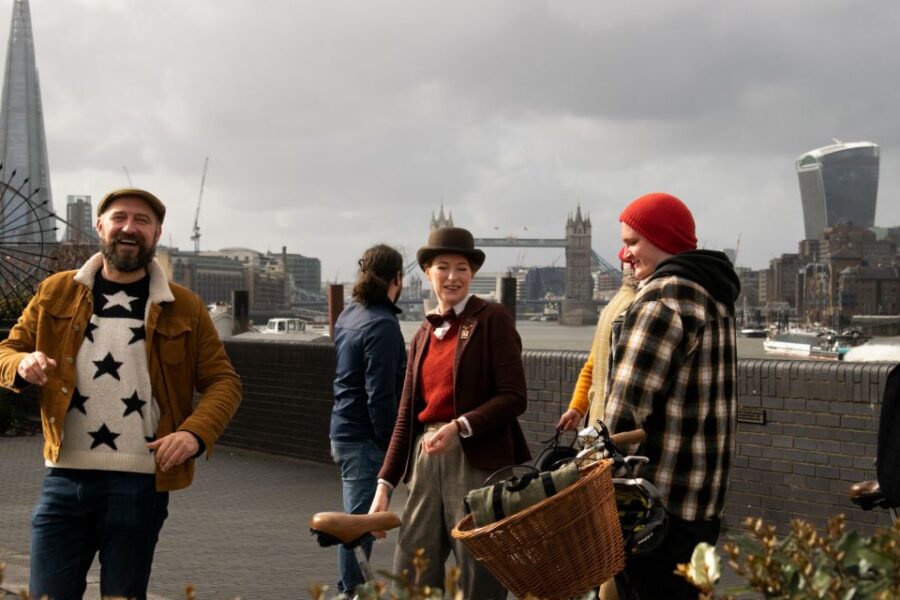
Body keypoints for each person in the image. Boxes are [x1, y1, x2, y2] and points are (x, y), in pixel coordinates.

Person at [0, 188, 242, 600]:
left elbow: (224, 382)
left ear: (157, 233)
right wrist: (21, 365)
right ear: (100, 227)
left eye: (142, 221)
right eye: (120, 218)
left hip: (141, 486)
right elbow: (7, 349)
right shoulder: (55, 291)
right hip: (63, 477)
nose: (130, 228)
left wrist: (194, 434)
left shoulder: (184, 306)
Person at [369, 226, 530, 599]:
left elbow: (514, 396)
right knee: (412, 571)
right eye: (443, 267)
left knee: (480, 576)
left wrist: (460, 426)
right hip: (425, 463)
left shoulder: (492, 319)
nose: (452, 277)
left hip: (477, 463)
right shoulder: (422, 335)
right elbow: (407, 417)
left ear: (472, 273)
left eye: (462, 268)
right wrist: (384, 487)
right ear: (427, 272)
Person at [602, 192, 740, 599]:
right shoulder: (713, 295)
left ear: (661, 239)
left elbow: (624, 415)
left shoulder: (662, 300)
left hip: (654, 508)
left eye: (632, 242)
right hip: (705, 501)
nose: (624, 255)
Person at [329, 244, 406, 595]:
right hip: (365, 438)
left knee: (354, 519)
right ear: (397, 279)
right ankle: (350, 592)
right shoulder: (384, 324)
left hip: (342, 429)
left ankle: (349, 588)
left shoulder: (349, 314)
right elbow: (381, 395)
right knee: (359, 526)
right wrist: (392, 444)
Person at [557, 260, 637, 432]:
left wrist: (577, 407)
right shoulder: (635, 304)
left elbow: (591, 367)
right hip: (614, 433)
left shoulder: (613, 304)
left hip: (595, 423)